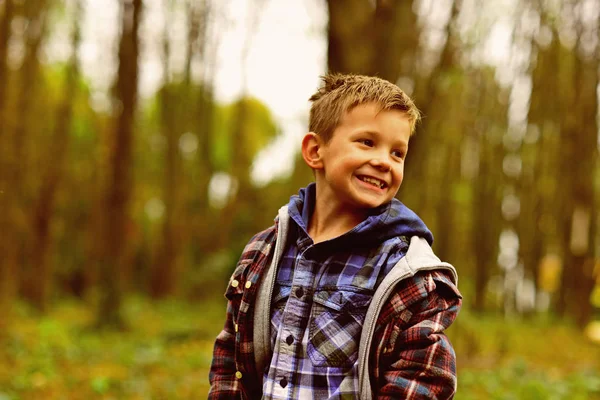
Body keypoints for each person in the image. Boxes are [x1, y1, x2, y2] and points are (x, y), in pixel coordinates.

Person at [208, 73, 462, 399]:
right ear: (315, 151)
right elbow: (232, 353)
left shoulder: (404, 270)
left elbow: (425, 377)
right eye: (367, 142)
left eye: (397, 153)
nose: (384, 161)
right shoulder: (264, 251)